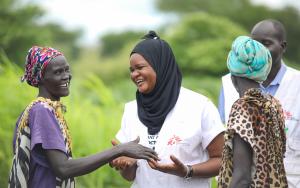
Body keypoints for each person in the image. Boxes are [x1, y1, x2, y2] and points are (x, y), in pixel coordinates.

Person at [8, 46, 158, 188]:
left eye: (67, 70)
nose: (66, 76)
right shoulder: (42, 110)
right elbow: (63, 168)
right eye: (58, 72)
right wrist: (120, 150)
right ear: (41, 78)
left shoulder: (35, 109)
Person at [109, 31, 225, 188]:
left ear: (160, 66)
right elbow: (130, 176)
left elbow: (223, 160)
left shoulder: (199, 106)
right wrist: (126, 165)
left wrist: (187, 171)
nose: (135, 75)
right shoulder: (131, 110)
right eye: (131, 70)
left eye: (140, 67)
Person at [218, 19, 300, 187]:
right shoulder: (272, 103)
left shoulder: (242, 109)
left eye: (266, 43)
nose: (259, 50)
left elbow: (242, 178)